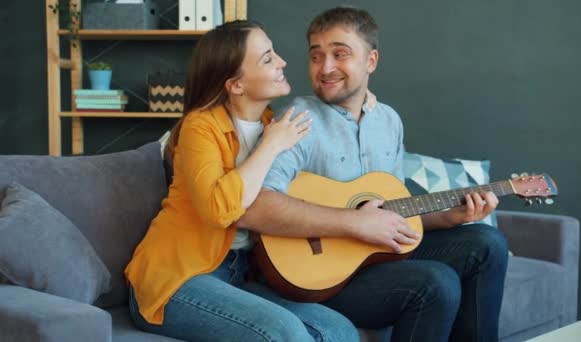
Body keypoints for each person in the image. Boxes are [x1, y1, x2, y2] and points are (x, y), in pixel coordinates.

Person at [239, 7, 509, 342]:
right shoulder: (296, 120)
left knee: (487, 243)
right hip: (319, 274)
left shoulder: (389, 121)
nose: (325, 68)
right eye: (316, 56)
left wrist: (449, 217)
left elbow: (389, 213)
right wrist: (354, 221)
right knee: (436, 282)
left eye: (340, 54)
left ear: (371, 61)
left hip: (372, 255)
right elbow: (255, 208)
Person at [124, 20, 360, 341]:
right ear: (235, 85)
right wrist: (271, 145)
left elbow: (297, 194)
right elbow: (219, 210)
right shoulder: (200, 127)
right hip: (177, 278)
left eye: (273, 53)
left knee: (339, 330)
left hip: (237, 273)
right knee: (285, 332)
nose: (282, 62)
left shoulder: (271, 123)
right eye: (267, 58)